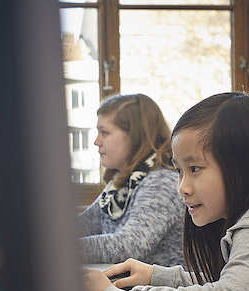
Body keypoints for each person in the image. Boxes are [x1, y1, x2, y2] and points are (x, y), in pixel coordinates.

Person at [83, 92, 249, 291]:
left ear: (242, 167)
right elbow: (232, 282)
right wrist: (156, 276)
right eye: (180, 171)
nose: (182, 188)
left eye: (194, 168)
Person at [77, 94, 185, 266]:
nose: (96, 142)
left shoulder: (161, 182)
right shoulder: (121, 184)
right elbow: (82, 225)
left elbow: (131, 245)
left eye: (104, 133)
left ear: (135, 136)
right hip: (128, 290)